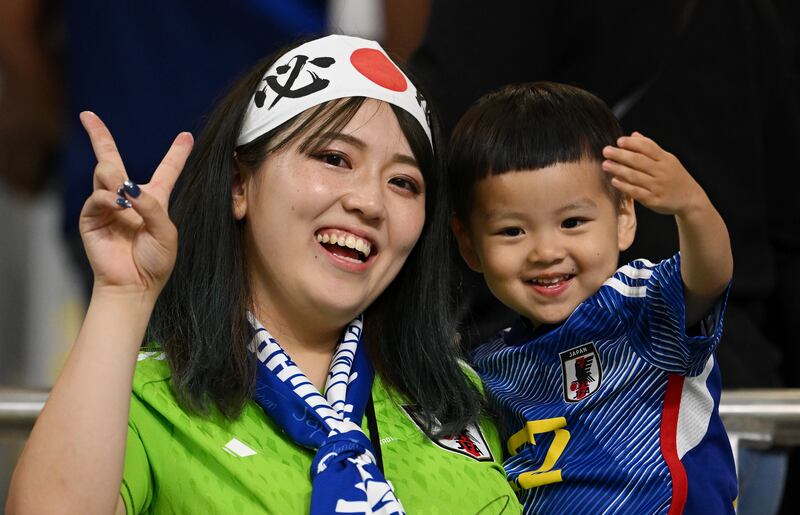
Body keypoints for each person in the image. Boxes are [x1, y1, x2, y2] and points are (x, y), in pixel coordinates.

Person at [6, 35, 521, 514]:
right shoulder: (146, 397)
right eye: (335, 157)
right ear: (239, 184)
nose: (369, 202)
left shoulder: (466, 396)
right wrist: (122, 295)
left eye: (404, 182)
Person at [449, 82, 737, 513]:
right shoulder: (487, 367)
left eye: (572, 222)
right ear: (470, 244)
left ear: (624, 216)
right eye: (512, 231)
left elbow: (710, 278)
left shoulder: (640, 308)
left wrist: (692, 207)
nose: (545, 251)